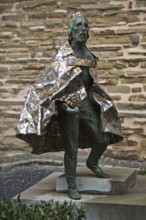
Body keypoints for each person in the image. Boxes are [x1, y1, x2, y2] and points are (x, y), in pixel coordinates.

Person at [16, 12, 123, 200]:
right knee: (71, 147)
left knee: (102, 137)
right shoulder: (62, 56)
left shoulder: (88, 53)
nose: (83, 28)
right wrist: (63, 104)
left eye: (86, 25)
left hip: (87, 103)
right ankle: (71, 184)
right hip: (69, 106)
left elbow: (90, 81)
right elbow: (48, 85)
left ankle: (92, 162)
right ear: (71, 31)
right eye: (79, 25)